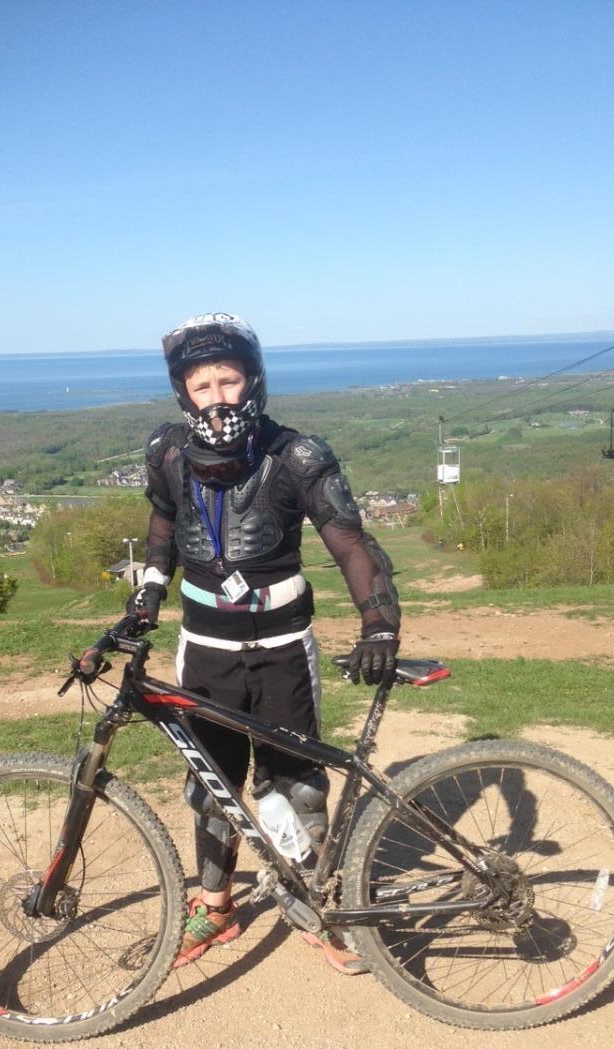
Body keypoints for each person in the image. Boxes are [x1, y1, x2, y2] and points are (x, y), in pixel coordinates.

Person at [106, 313, 400, 974]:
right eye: (202, 383)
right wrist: (147, 594)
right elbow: (161, 526)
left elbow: (351, 542)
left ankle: (316, 904)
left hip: (282, 647)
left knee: (294, 785)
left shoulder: (297, 455)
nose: (217, 395)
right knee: (208, 783)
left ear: (253, 381)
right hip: (205, 647)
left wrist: (379, 622)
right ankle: (215, 908)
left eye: (229, 379)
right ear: (185, 392)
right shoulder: (168, 453)